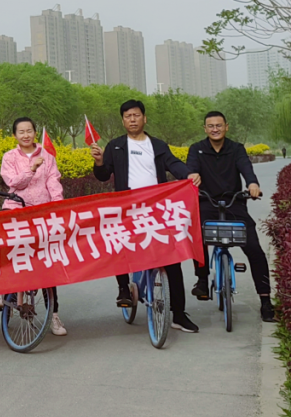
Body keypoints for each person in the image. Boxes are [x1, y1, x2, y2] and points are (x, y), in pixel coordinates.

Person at [90, 100, 201, 334]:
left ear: (144, 118)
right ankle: (124, 289)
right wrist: (99, 162)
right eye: (128, 116)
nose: (132, 119)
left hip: (156, 209)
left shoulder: (157, 145)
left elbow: (173, 164)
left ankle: (179, 314)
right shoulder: (116, 146)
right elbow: (103, 175)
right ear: (123, 121)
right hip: (127, 209)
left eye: (136, 115)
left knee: (172, 258)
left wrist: (188, 174)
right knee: (121, 247)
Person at [186, 111, 275, 322]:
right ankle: (202, 280)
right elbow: (191, 169)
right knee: (197, 235)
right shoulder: (197, 149)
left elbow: (246, 168)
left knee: (254, 248)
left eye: (219, 125)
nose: (215, 129)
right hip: (206, 202)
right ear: (205, 129)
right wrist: (191, 175)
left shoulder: (236, 149)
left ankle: (265, 301)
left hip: (234, 203)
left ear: (226, 126)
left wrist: (252, 184)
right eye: (210, 126)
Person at [0, 117, 67, 337]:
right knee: (8, 250)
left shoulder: (47, 156)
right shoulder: (9, 157)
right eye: (21, 132)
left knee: (48, 263)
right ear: (14, 135)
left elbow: (53, 182)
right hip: (16, 209)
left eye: (29, 131)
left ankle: (53, 315)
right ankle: (0, 291)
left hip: (41, 212)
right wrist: (31, 169)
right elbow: (13, 182)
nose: (26, 135)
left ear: (35, 132)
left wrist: (57, 205)